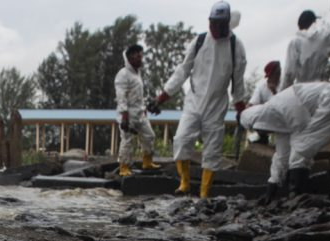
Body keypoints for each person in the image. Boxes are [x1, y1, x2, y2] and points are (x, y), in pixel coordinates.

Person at [152, 1, 247, 198]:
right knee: (181, 139)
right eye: (213, 23)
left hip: (216, 104)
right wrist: (161, 98)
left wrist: (241, 110)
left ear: (227, 23)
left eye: (220, 24)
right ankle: (184, 183)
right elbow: (182, 72)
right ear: (209, 22)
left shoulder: (235, 46)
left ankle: (204, 193)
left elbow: (238, 83)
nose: (215, 28)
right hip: (194, 101)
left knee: (212, 149)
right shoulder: (199, 41)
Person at [115, 44, 160, 177]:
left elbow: (137, 96)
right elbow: (121, 96)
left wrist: (144, 108)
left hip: (139, 113)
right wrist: (124, 116)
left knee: (149, 136)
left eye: (141, 56)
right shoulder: (123, 74)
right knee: (127, 141)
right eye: (138, 56)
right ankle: (123, 166)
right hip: (128, 114)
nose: (141, 59)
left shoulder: (137, 74)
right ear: (130, 57)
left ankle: (147, 162)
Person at [247, 60, 280, 145]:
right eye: (269, 76)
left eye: (274, 75)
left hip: (281, 116)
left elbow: (286, 103)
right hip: (266, 117)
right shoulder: (262, 86)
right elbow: (253, 103)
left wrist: (274, 91)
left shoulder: (284, 83)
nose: (271, 78)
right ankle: (262, 139)